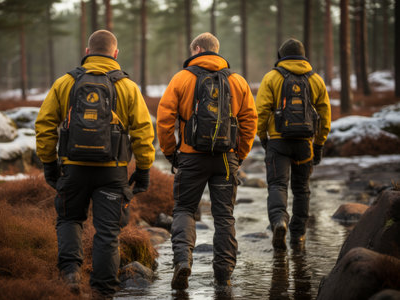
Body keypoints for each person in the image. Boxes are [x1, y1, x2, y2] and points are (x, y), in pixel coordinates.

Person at [35, 30, 155, 298]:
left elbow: (44, 125)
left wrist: (49, 163)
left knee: (69, 219)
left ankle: (70, 274)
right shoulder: (128, 87)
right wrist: (144, 169)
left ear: (87, 52)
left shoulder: (66, 82)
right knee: (108, 233)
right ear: (115, 54)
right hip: (112, 173)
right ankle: (103, 291)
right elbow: (144, 132)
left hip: (73, 168)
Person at [157, 32, 258, 289]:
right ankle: (223, 277)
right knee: (224, 216)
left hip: (190, 157)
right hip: (226, 159)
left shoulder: (181, 78)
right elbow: (250, 120)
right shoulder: (238, 81)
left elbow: (165, 119)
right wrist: (240, 154)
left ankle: (183, 262)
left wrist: (171, 153)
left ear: (198, 49)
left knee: (184, 210)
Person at [256, 38, 331, 250]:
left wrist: (262, 136)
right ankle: (298, 236)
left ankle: (280, 221)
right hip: (304, 144)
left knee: (278, 185)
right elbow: (325, 114)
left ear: (281, 56)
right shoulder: (315, 79)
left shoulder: (271, 77)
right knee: (302, 190)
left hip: (278, 142)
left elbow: (260, 111)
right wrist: (319, 143)